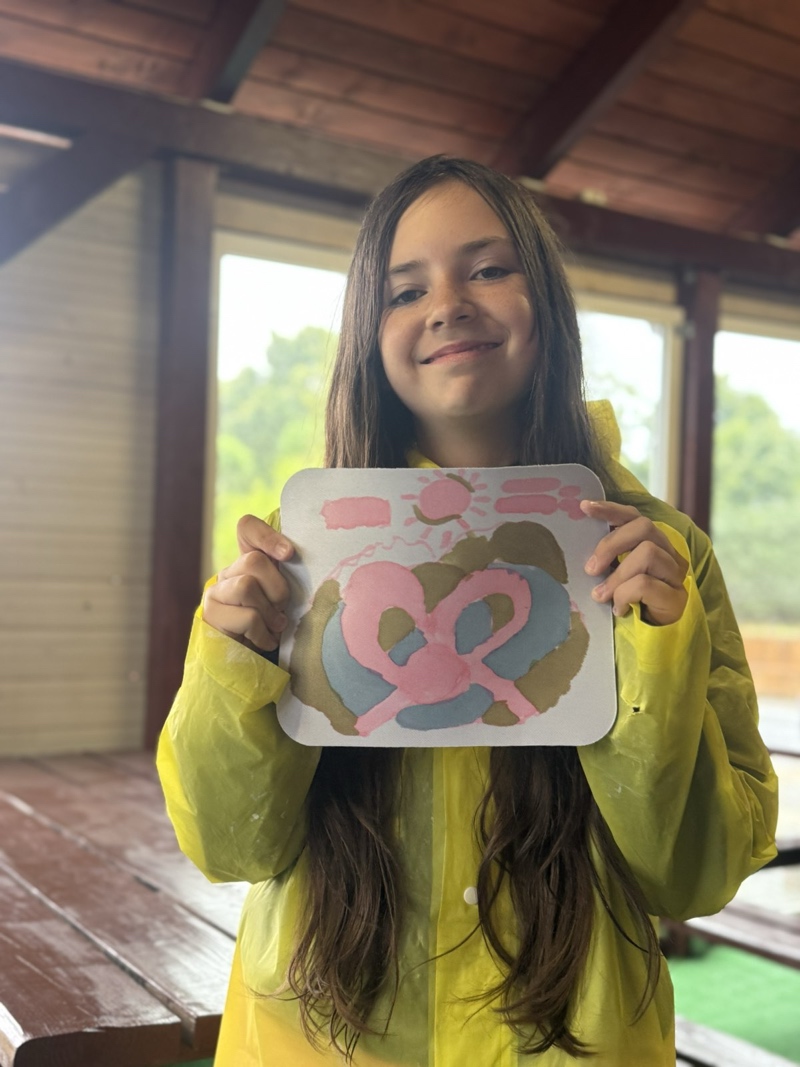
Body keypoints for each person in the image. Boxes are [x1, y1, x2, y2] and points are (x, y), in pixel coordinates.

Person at [157, 156, 778, 1066]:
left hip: (571, 1039)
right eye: (406, 290)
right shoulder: (301, 555)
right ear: (367, 334)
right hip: (319, 1033)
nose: (447, 305)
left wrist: (654, 646)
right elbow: (226, 843)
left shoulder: (659, 558)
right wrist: (231, 663)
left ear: (547, 303)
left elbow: (695, 874)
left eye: (487, 268)